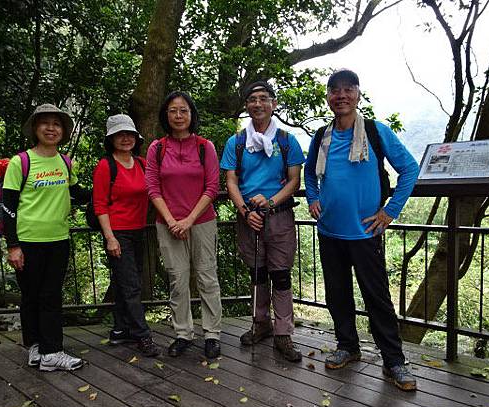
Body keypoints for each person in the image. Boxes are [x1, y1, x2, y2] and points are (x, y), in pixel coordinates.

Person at [304, 69, 420, 390]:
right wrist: (312, 199)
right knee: (337, 294)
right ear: (328, 97)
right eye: (334, 90)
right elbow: (310, 174)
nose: (340, 95)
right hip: (329, 231)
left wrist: (390, 211)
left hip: (366, 233)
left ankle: (394, 361)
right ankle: (348, 347)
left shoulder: (374, 131)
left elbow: (410, 168)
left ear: (357, 94)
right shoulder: (321, 137)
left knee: (377, 297)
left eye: (347, 89)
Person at [220, 81, 305, 362]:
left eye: (264, 98)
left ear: (273, 104)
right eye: (253, 99)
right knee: (256, 273)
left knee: (280, 275)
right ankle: (260, 323)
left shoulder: (286, 140)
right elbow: (230, 181)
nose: (258, 104)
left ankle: (283, 332)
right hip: (248, 218)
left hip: (278, 216)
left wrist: (268, 203)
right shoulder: (237, 142)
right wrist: (246, 211)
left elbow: (294, 181)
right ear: (247, 105)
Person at [2, 104, 87, 371]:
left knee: (49, 295)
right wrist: (13, 245)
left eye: (57, 124)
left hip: (58, 239)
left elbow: (78, 193)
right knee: (31, 296)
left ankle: (45, 349)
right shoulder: (21, 162)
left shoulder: (65, 162)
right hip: (28, 241)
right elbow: (8, 206)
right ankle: (43, 349)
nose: (51, 129)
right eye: (45, 123)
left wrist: (109, 194)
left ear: (63, 131)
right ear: (35, 128)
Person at [145, 91, 222, 359]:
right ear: (166, 116)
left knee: (206, 277)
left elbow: (213, 187)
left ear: (191, 115)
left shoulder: (205, 146)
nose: (178, 116)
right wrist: (171, 221)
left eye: (184, 110)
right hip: (167, 223)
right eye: (173, 111)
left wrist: (188, 220)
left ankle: (211, 333)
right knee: (178, 280)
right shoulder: (157, 148)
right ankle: (183, 333)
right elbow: (153, 188)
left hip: (201, 221)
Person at [92, 114, 160, 357]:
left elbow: (157, 189)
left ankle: (121, 330)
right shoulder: (105, 166)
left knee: (126, 284)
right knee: (131, 286)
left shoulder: (142, 163)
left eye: (129, 134)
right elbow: (100, 205)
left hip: (139, 230)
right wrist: (110, 238)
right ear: (111, 139)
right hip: (117, 232)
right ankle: (143, 336)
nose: (125, 138)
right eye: (119, 134)